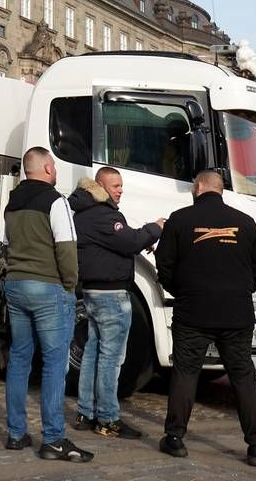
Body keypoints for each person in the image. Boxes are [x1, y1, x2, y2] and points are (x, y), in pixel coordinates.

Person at [158, 168, 256, 467]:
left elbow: (164, 266)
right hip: (236, 313)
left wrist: (183, 290)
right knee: (243, 376)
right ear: (220, 190)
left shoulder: (180, 220)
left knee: (186, 372)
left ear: (198, 187)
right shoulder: (245, 223)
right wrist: (241, 288)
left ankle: (175, 438)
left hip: (193, 311)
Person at [2, 146, 91, 463]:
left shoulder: (11, 204)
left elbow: (7, 244)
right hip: (48, 287)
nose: (55, 170)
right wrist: (69, 284)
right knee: (55, 364)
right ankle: (53, 439)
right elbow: (67, 247)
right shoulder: (56, 201)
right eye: (52, 166)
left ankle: (16, 433)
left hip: (15, 285)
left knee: (19, 359)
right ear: (46, 168)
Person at [67, 166, 164, 439]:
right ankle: (108, 418)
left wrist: (138, 236)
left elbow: (120, 241)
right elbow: (129, 240)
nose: (120, 190)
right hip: (111, 296)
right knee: (111, 358)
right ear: (99, 185)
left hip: (93, 293)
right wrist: (155, 228)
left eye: (121, 186)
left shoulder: (84, 213)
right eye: (115, 186)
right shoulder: (103, 215)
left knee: (92, 353)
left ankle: (85, 412)